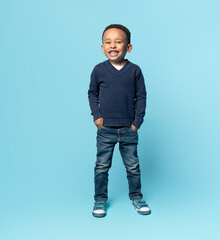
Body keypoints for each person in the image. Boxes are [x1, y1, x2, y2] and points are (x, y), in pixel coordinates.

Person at [88, 24, 151, 217]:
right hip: (105, 128)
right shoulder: (99, 70)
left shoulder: (135, 71)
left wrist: (136, 122)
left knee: (133, 166)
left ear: (128, 47)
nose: (112, 46)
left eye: (118, 42)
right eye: (108, 42)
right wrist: (97, 116)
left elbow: (141, 96)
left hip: (128, 128)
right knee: (102, 166)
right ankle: (99, 200)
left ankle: (136, 197)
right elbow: (92, 93)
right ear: (102, 47)